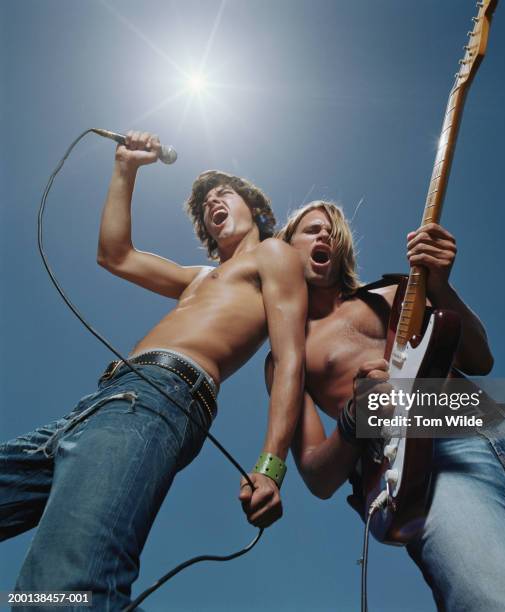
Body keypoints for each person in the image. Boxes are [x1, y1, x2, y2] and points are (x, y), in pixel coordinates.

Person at [0, 131, 307, 610]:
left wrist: (270, 467)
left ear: (254, 207)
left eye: (224, 192)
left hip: (159, 399)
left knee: (63, 588)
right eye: (206, 202)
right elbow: (115, 255)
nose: (213, 201)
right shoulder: (198, 277)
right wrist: (126, 167)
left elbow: (289, 358)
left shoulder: (274, 255)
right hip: (100, 404)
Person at [260, 200, 505, 611]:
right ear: (285, 247)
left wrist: (442, 286)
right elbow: (318, 475)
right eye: (312, 229)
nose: (324, 236)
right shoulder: (288, 352)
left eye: (332, 232)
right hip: (426, 476)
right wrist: (356, 417)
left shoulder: (394, 293)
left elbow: (479, 359)